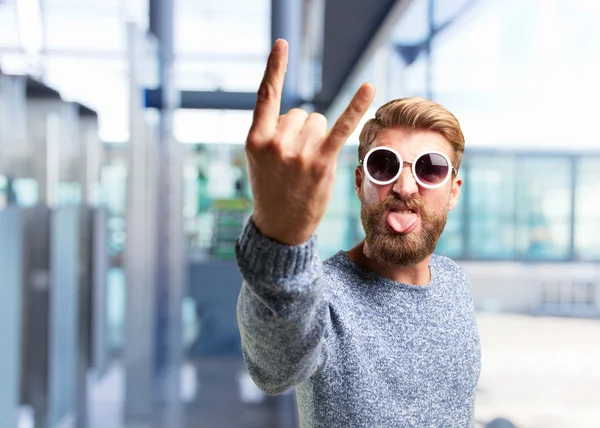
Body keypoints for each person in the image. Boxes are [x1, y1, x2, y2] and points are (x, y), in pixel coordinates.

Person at [235, 39, 481, 427]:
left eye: (429, 168)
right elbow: (273, 368)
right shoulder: (325, 297)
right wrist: (281, 237)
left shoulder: (454, 282)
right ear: (359, 181)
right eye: (383, 165)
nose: (404, 186)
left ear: (453, 191)